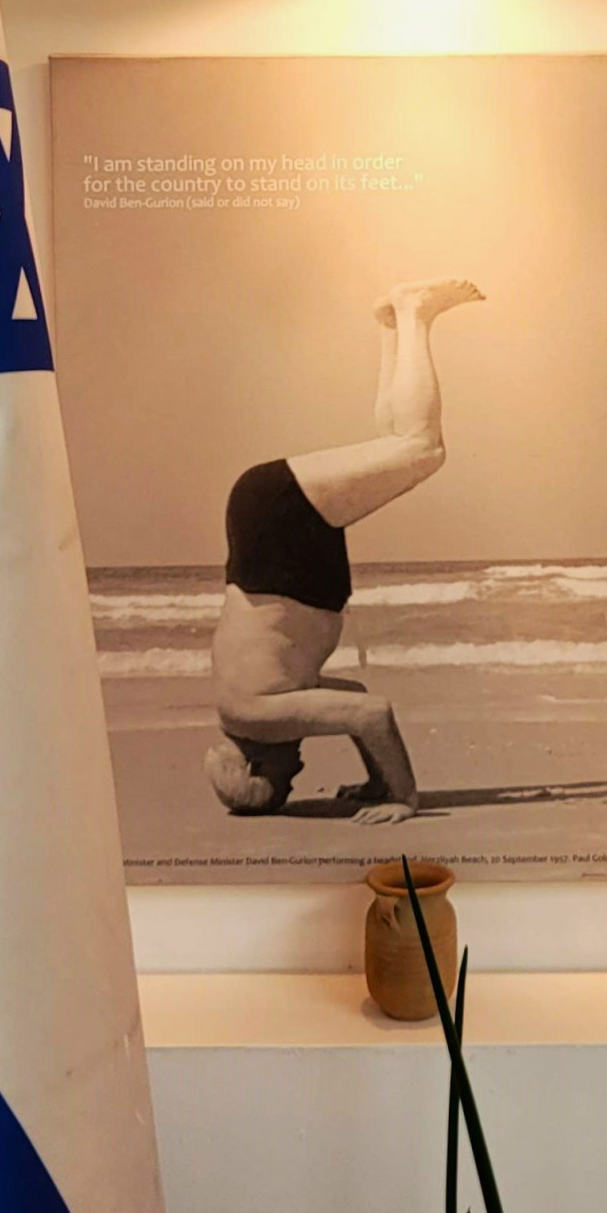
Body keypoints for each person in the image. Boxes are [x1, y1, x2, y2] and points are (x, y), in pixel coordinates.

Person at [204, 278, 484, 825]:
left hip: (282, 535)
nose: (299, 767)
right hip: (275, 538)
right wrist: (377, 777)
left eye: (286, 779)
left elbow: (370, 713)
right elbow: (352, 698)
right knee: (398, 446)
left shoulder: (257, 717)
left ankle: (414, 312)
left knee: (421, 449)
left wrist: (402, 797)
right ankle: (392, 325)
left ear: (257, 764)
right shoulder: (246, 709)